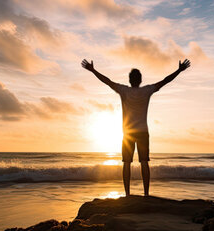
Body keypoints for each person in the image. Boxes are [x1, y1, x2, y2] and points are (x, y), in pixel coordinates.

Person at [81, 58, 191, 196]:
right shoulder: (147, 90)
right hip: (143, 132)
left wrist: (93, 70)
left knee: (126, 163)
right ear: (140, 80)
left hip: (128, 133)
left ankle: (127, 194)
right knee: (144, 162)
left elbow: (107, 81)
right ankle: (146, 194)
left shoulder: (123, 90)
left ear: (129, 80)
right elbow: (165, 80)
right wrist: (179, 70)